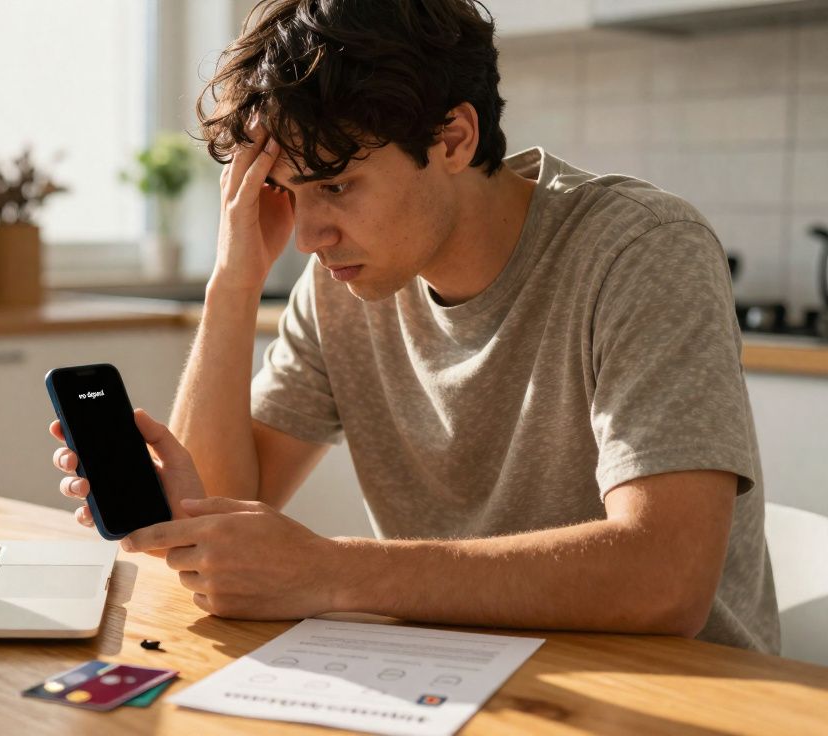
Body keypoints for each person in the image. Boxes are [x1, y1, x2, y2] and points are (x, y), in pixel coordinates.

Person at [49, 0, 778, 653]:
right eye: (286, 192)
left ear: (454, 137)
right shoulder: (342, 285)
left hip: (674, 693)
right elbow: (217, 508)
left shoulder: (640, 248)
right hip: (456, 678)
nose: (307, 236)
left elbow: (665, 579)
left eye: (335, 185)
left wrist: (330, 571)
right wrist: (234, 281)